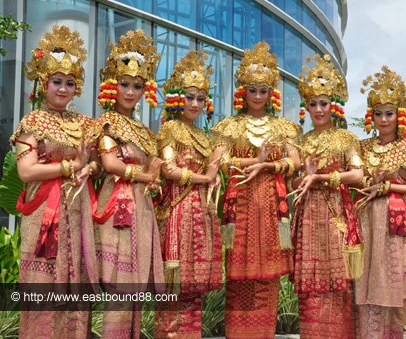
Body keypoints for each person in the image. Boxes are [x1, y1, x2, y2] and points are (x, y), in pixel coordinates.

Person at [12, 25, 99, 338]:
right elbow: (27, 172)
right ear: (43, 83)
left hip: (77, 215)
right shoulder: (31, 121)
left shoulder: (84, 123)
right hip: (43, 216)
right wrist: (70, 166)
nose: (63, 89)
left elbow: (96, 160)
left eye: (70, 83)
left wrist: (90, 167)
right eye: (56, 82)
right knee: (44, 285)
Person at [210, 41, 301, 339]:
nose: (258, 96)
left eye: (264, 90)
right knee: (239, 274)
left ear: (271, 92)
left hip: (271, 207)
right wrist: (255, 160)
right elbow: (220, 161)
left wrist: (268, 167)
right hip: (242, 207)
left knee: (268, 277)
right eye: (253, 90)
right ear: (243, 91)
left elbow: (295, 160)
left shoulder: (283, 127)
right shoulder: (229, 125)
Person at [92, 29, 164, 338]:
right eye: (124, 84)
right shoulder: (105, 122)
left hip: (142, 208)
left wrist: (155, 180)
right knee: (119, 285)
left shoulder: (146, 131)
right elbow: (110, 164)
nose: (130, 92)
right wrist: (147, 175)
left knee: (134, 289)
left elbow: (154, 168)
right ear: (112, 85)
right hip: (116, 207)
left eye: (137, 86)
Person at [291, 54, 364, 339]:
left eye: (324, 103)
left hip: (337, 214)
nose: (319, 110)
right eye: (313, 104)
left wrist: (320, 177)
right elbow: (293, 181)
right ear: (306, 107)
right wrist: (302, 177)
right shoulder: (300, 141)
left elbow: (357, 175)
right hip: (309, 215)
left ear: (333, 105)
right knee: (311, 282)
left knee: (339, 280)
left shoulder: (347, 139)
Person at [153, 50, 222, 338]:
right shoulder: (170, 129)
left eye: (200, 98)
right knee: (175, 286)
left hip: (201, 215)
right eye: (189, 97)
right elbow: (168, 170)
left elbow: (213, 170)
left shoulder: (205, 137)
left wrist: (215, 174)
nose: (194, 103)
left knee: (194, 291)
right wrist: (205, 177)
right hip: (179, 212)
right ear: (177, 99)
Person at [355, 66, 406, 338]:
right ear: (370, 116)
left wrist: (387, 186)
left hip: (395, 219)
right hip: (364, 217)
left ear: (400, 115)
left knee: (393, 281)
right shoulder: (362, 147)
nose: (383, 119)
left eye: (389, 113)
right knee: (365, 279)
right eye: (378, 113)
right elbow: (355, 179)